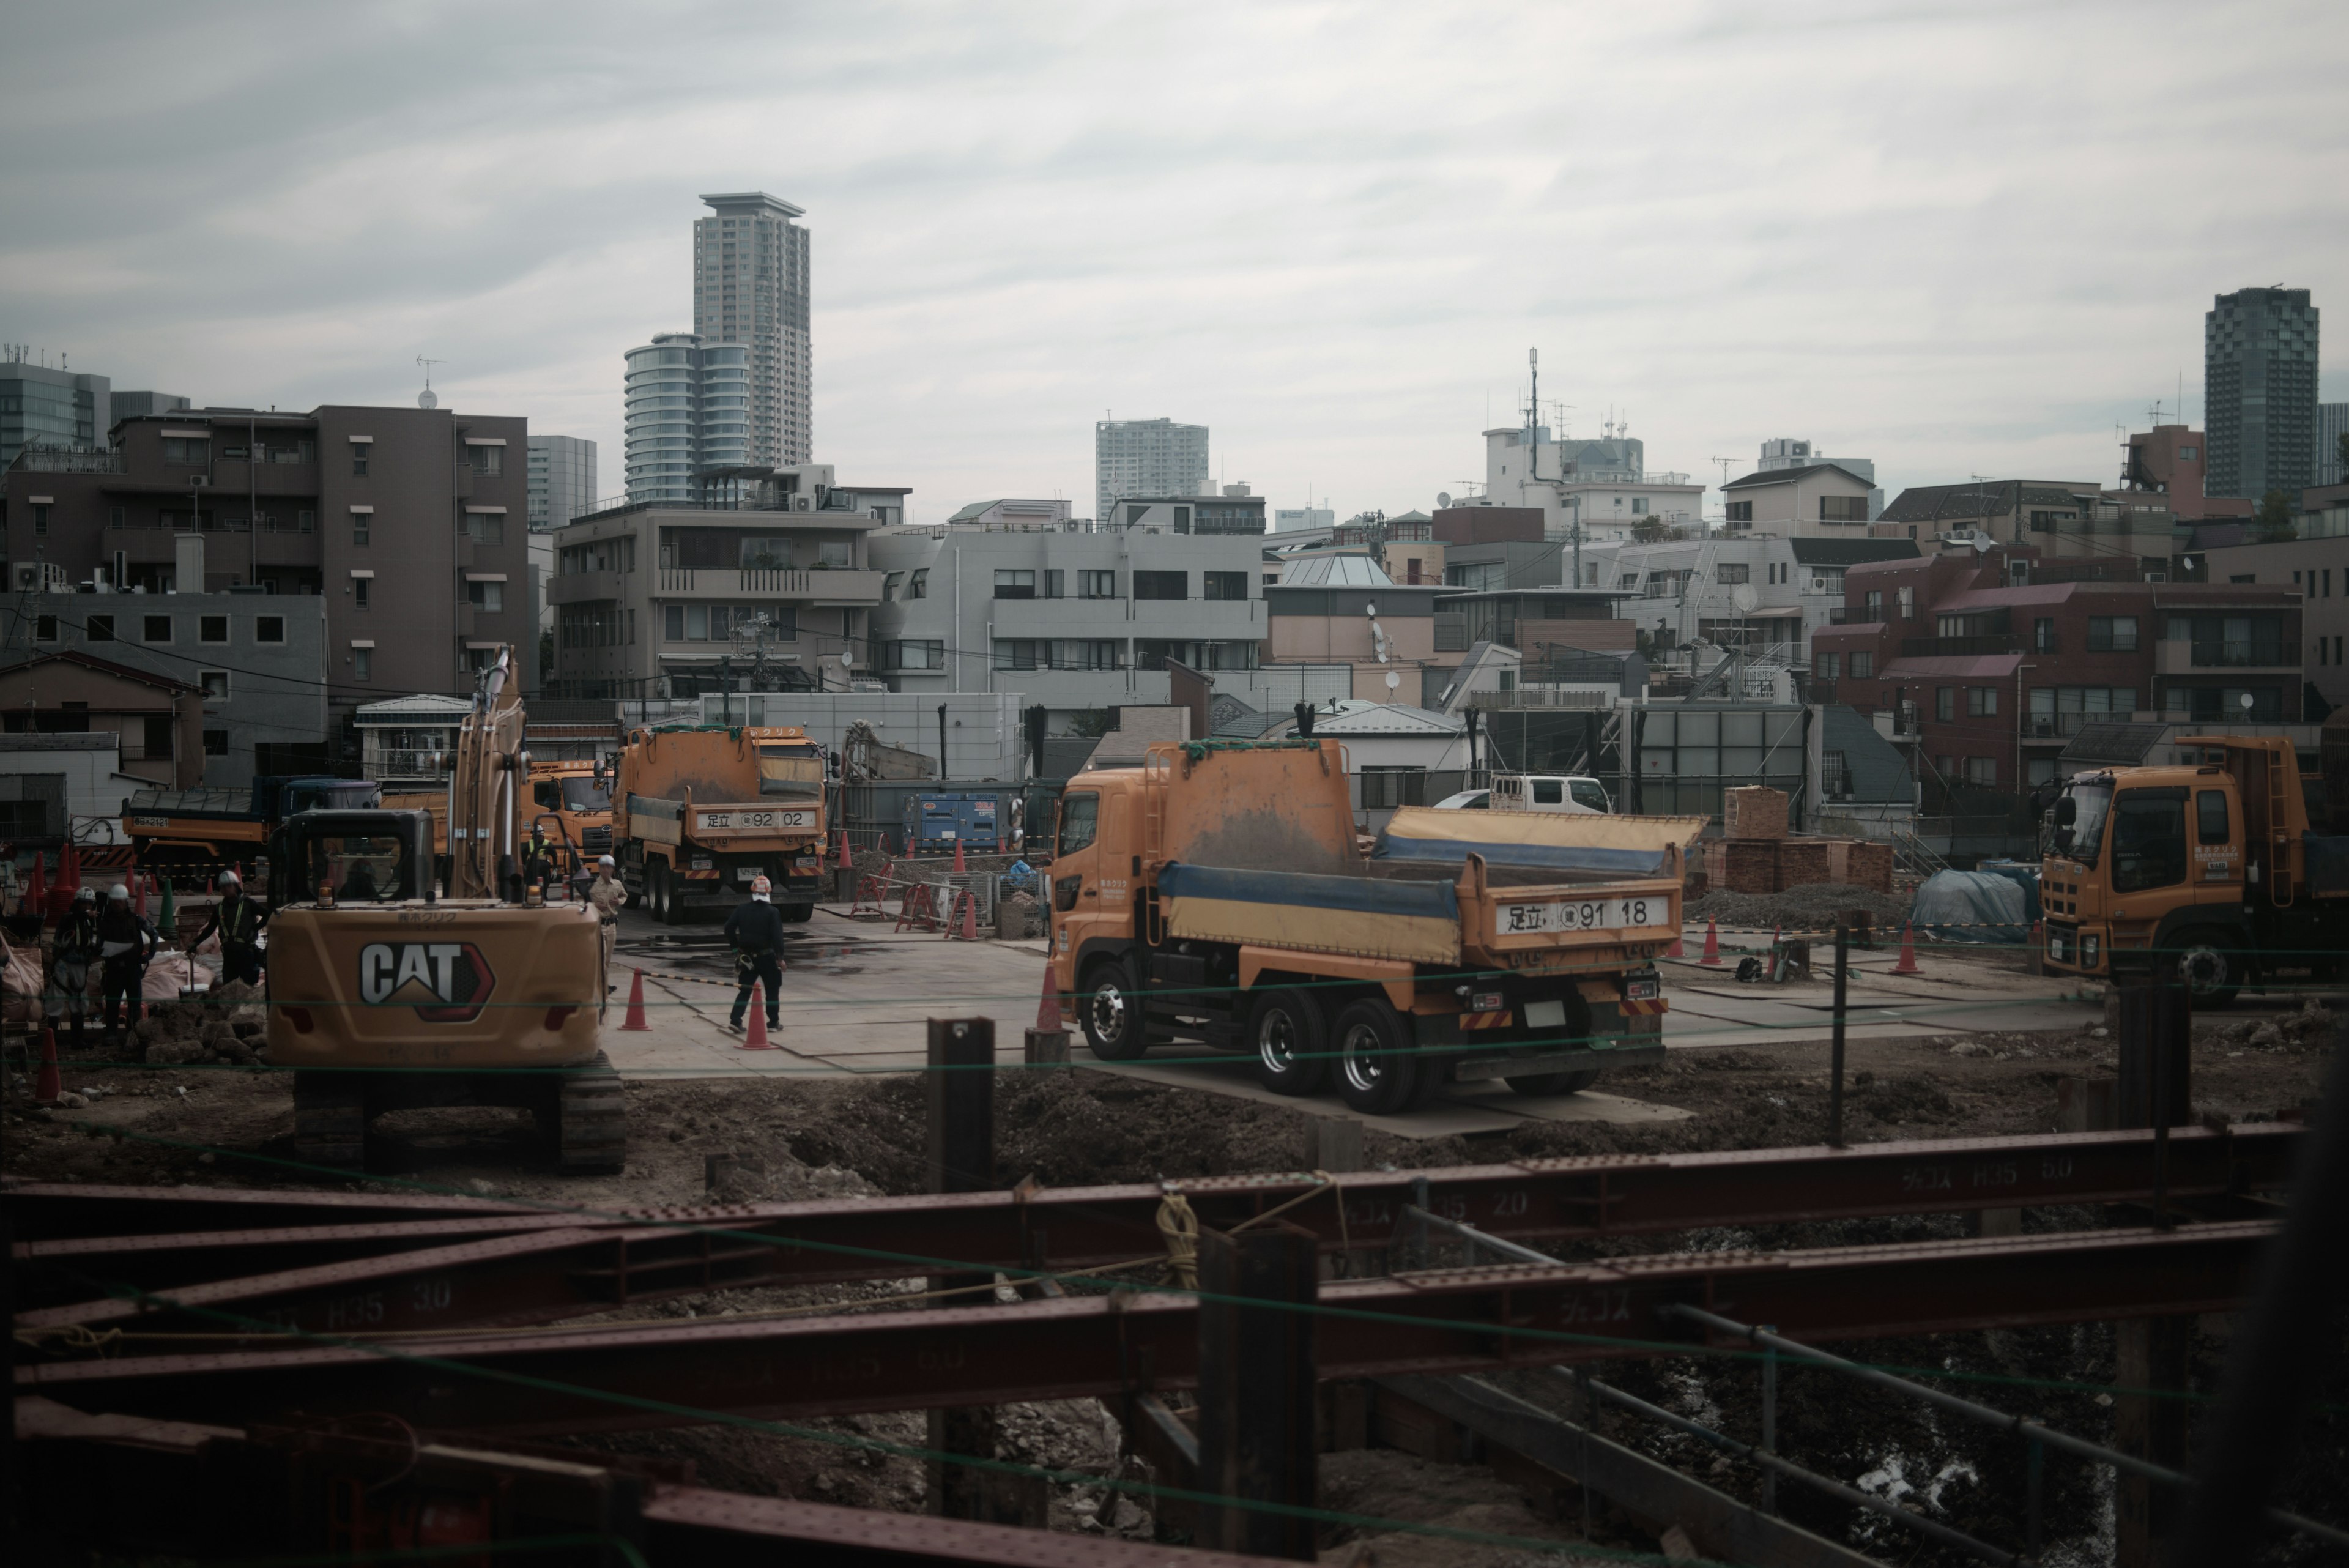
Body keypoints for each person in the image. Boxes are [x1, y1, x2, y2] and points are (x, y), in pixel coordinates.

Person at [97, 883, 161, 1042]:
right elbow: (98, 944)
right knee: (112, 1003)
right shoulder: (105, 922)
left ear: (126, 902)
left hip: (132, 969)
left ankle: (132, 1035)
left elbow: (154, 935)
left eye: (119, 902)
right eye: (114, 902)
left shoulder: (136, 920)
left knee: (134, 1003)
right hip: (113, 969)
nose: (117, 905)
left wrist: (150, 955)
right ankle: (111, 1033)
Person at [722, 874, 786, 1034]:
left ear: (752, 891)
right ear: (769, 892)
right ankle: (773, 1023)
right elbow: (778, 938)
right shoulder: (773, 912)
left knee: (745, 990)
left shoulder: (742, 909)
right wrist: (781, 959)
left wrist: (735, 948)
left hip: (747, 958)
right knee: (772, 990)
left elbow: (728, 928)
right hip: (767, 957)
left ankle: (736, 1021)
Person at [188, 869, 267, 988]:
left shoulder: (248, 903)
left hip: (246, 952)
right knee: (229, 988)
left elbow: (267, 915)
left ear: (235, 886)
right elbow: (210, 928)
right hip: (230, 955)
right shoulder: (220, 908)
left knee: (249, 987)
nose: (225, 889)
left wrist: (255, 928)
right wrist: (196, 942)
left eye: (228, 886)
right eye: (223, 887)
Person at [45, 886, 101, 1046]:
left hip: (80, 963)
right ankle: (51, 1040)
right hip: (64, 962)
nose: (87, 907)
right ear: (77, 903)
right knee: (56, 998)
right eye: (84, 903)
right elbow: (71, 919)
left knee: (80, 1000)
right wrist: (85, 915)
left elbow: (88, 941)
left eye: (90, 904)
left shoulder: (87, 922)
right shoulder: (68, 918)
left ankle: (77, 1040)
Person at [587, 854, 625, 983]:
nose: (606, 870)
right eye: (603, 867)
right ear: (599, 868)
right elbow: (579, 901)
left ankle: (604, 985)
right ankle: (602, 987)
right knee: (601, 959)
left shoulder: (617, 884)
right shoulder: (592, 886)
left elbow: (624, 896)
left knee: (608, 960)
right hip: (599, 926)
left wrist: (619, 901)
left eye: (609, 867)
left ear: (613, 869)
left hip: (612, 926)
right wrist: (594, 905)